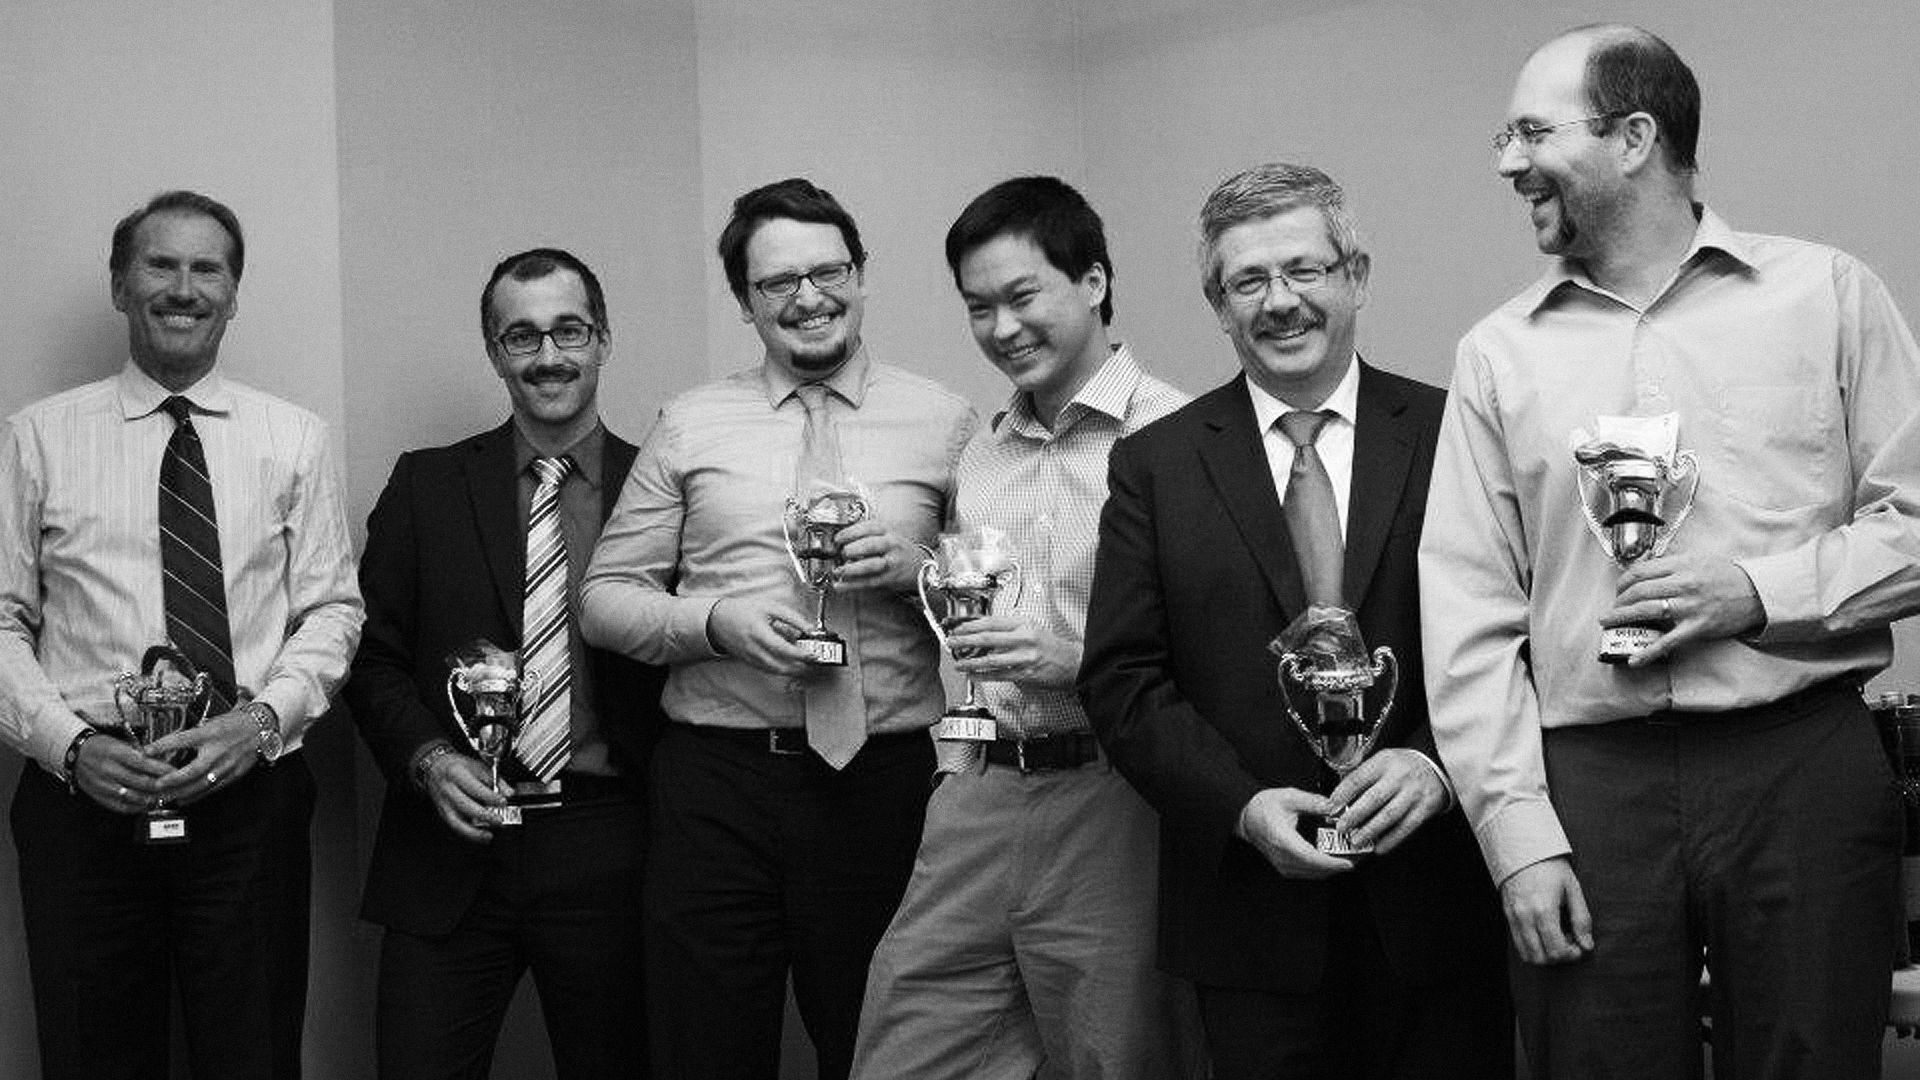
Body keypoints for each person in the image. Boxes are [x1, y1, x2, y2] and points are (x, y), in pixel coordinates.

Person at [1421, 24, 1920, 1080]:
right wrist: (1516, 834)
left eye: (1530, 132)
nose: (1508, 161)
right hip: (1586, 787)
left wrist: (1757, 591)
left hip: (1800, 765)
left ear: (1635, 135)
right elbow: (1466, 608)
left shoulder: (1827, 295)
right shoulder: (1496, 355)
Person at [1079, 163, 1511, 1080]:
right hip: (1248, 920)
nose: (1281, 302)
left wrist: (1437, 762)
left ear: (1354, 276)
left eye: (1305, 271)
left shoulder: (1456, 433)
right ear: (1218, 305)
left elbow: (1520, 636)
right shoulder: (1154, 467)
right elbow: (1122, 681)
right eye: (1248, 281)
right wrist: (1238, 807)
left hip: (1437, 901)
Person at [579, 177, 976, 1080]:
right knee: (707, 1048)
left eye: (829, 271)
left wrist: (917, 573)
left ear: (862, 276)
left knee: (885, 1046)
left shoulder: (946, 421)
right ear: (746, 304)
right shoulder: (689, 424)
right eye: (777, 284)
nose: (808, 298)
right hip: (718, 789)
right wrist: (715, 623)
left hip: (883, 782)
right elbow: (605, 599)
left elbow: (1001, 599)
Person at [0, 190, 364, 1079]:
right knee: (94, 1054)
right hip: (84, 797)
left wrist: (264, 723)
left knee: (251, 1052)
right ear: (121, 284)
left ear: (234, 294)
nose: (184, 287)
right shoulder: (37, 437)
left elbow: (333, 610)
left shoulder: (295, 438)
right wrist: (68, 745)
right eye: (161, 264)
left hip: (249, 794)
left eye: (209, 269)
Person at [849, 176, 1203, 1080]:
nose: (1002, 329)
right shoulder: (981, 452)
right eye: (978, 308)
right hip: (978, 792)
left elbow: (1213, 652)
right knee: (904, 1051)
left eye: (1021, 296)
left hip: (1113, 796)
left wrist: (1076, 663)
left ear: (1092, 280)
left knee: (1115, 1057)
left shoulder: (1183, 438)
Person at [345, 248, 666, 1079]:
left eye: (569, 331)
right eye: (521, 337)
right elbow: (370, 659)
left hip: (613, 845)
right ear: (493, 351)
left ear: (603, 339)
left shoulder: (662, 489)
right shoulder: (425, 487)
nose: (549, 356)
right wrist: (427, 759)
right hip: (448, 842)